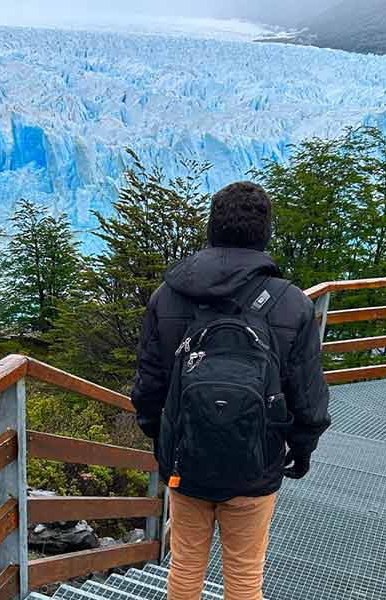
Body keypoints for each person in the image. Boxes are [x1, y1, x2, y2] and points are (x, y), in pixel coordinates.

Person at [130, 181, 331, 600]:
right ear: (265, 234)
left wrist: (164, 440)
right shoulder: (291, 303)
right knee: (243, 578)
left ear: (211, 229)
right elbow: (308, 396)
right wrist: (302, 447)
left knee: (185, 570)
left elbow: (148, 389)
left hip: (186, 462)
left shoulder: (167, 297)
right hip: (255, 466)